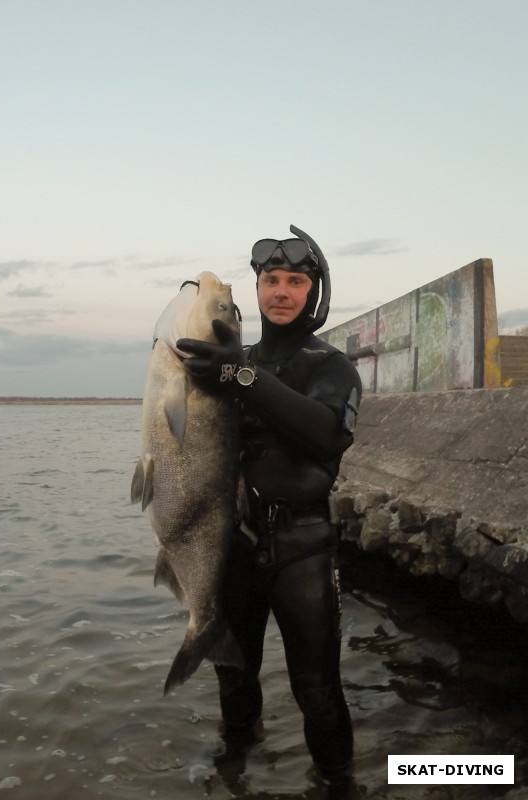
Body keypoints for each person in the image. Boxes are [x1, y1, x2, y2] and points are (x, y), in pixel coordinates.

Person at [176, 225, 362, 783]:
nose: (281, 291)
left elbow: (327, 436)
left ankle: (340, 784)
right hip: (231, 545)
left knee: (317, 689)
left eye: (296, 281)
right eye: (271, 280)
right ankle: (239, 769)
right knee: (233, 677)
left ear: (315, 292)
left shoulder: (330, 366)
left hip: (302, 548)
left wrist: (242, 375)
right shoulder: (231, 359)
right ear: (256, 290)